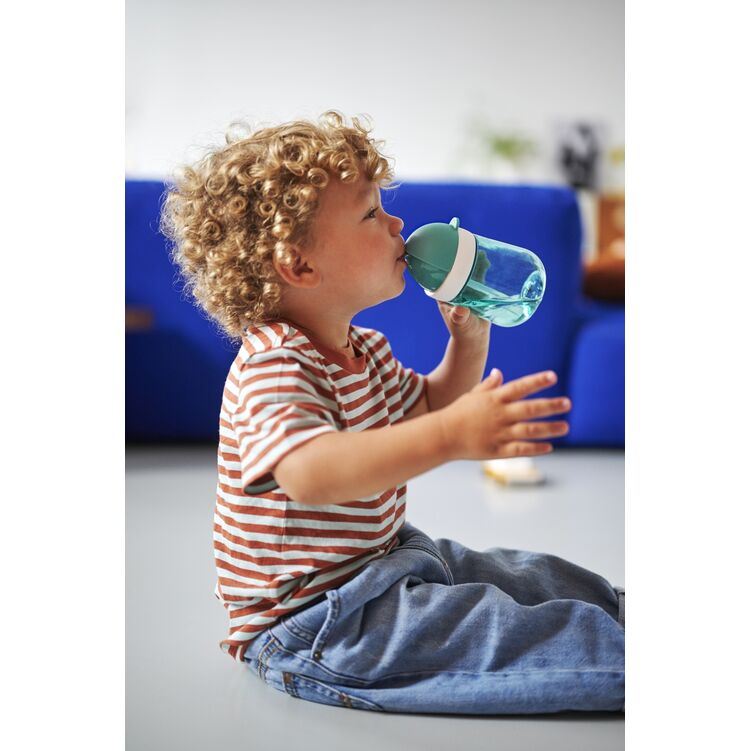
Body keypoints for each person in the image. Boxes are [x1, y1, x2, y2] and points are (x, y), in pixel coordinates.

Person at [160, 111, 624, 715]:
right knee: (509, 632)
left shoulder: (365, 350)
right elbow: (311, 474)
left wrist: (468, 341)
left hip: (384, 562)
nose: (398, 223)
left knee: (535, 578)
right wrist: (452, 436)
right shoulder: (275, 365)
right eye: (371, 214)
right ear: (299, 265)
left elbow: (432, 402)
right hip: (319, 621)